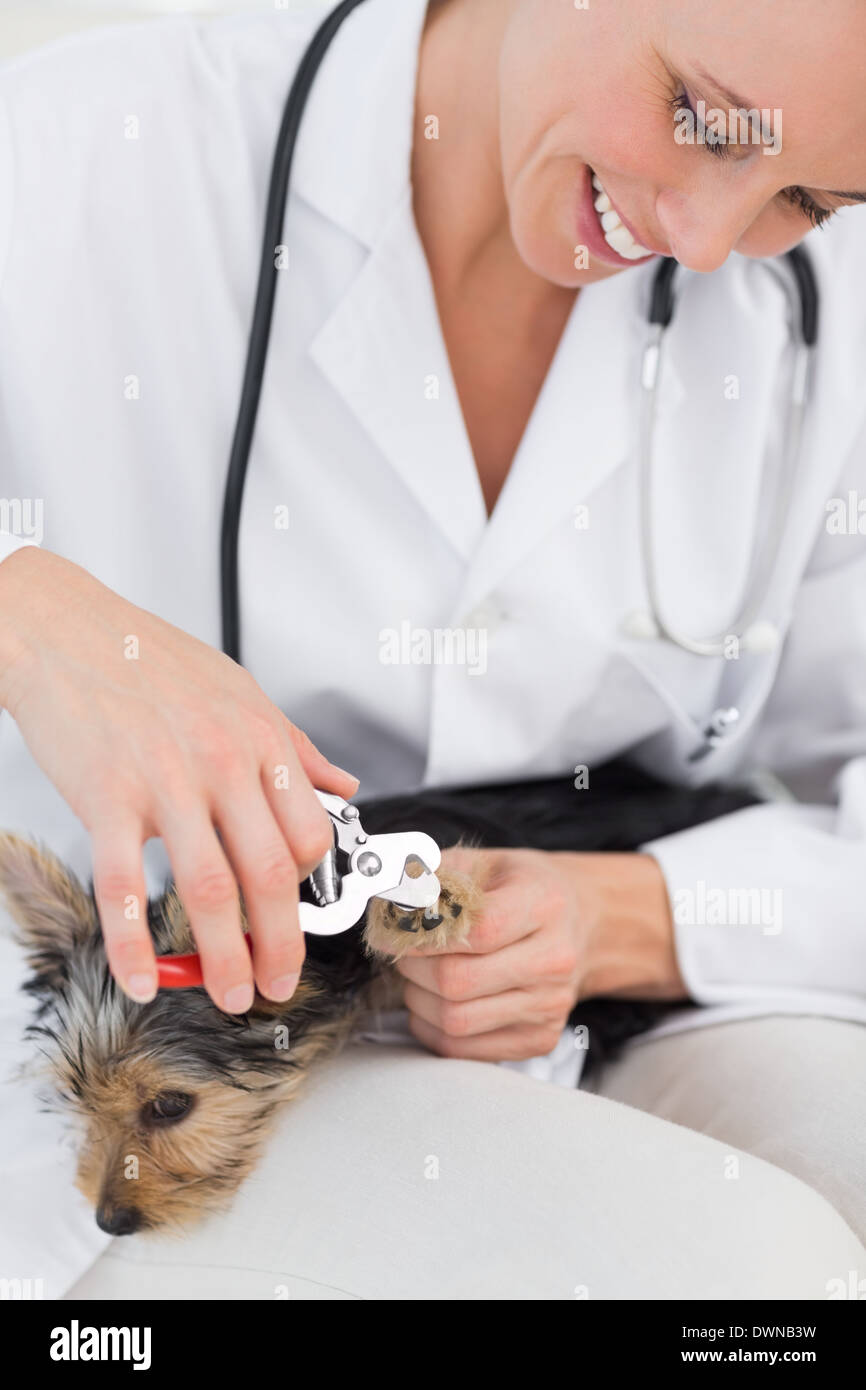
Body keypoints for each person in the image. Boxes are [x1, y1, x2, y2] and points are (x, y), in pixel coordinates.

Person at [0, 0, 864, 1296]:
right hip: (151, 1062)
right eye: (695, 113)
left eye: (804, 191)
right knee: (748, 1271)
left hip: (626, 997)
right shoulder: (88, 154)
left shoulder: (817, 312)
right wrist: (31, 617)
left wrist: (623, 917)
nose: (701, 240)